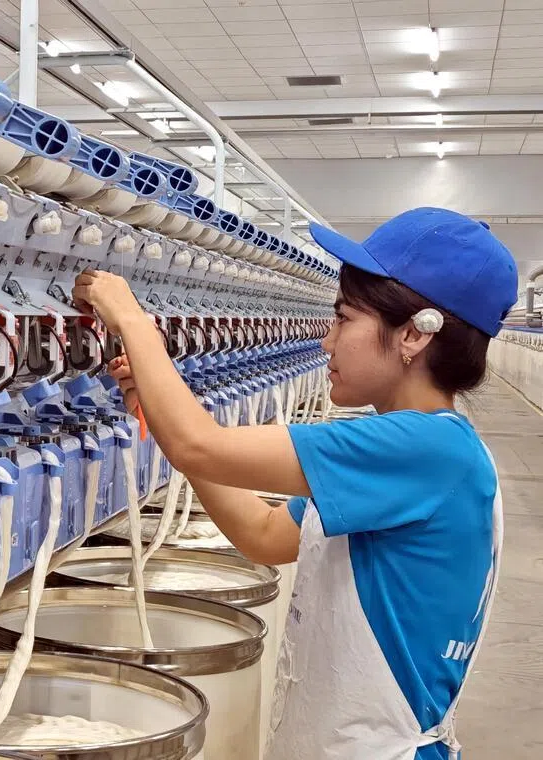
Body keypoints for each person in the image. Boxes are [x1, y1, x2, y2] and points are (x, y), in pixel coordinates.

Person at [71, 207, 517, 760]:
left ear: (413, 334)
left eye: (344, 319)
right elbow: (262, 534)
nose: (327, 342)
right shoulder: (421, 451)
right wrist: (159, 409)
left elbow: (200, 445)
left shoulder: (425, 449)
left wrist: (133, 322)